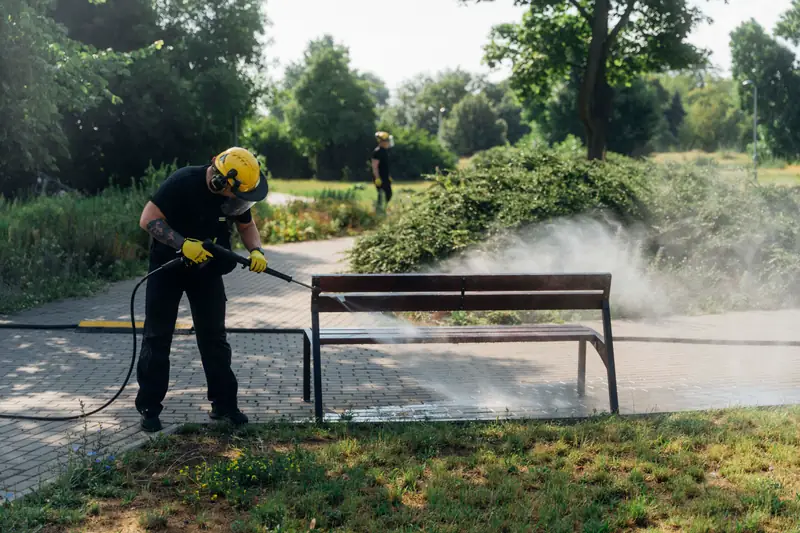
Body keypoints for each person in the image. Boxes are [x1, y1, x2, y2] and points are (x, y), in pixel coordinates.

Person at [135, 147, 269, 432]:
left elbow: (247, 226)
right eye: (235, 194)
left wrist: (256, 250)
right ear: (220, 181)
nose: (238, 201)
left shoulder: (236, 194)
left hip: (207, 268)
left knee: (214, 338)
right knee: (157, 337)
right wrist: (182, 244)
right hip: (168, 267)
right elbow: (148, 218)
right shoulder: (182, 182)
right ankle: (149, 407)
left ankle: (224, 405)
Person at [371, 131, 394, 210]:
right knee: (383, 195)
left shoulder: (385, 151)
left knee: (388, 194)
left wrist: (389, 176)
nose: (388, 143)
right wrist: (377, 178)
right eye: (387, 141)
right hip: (380, 178)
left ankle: (381, 209)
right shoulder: (377, 152)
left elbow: (385, 166)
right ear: (383, 142)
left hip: (385, 177)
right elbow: (375, 166)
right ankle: (379, 210)